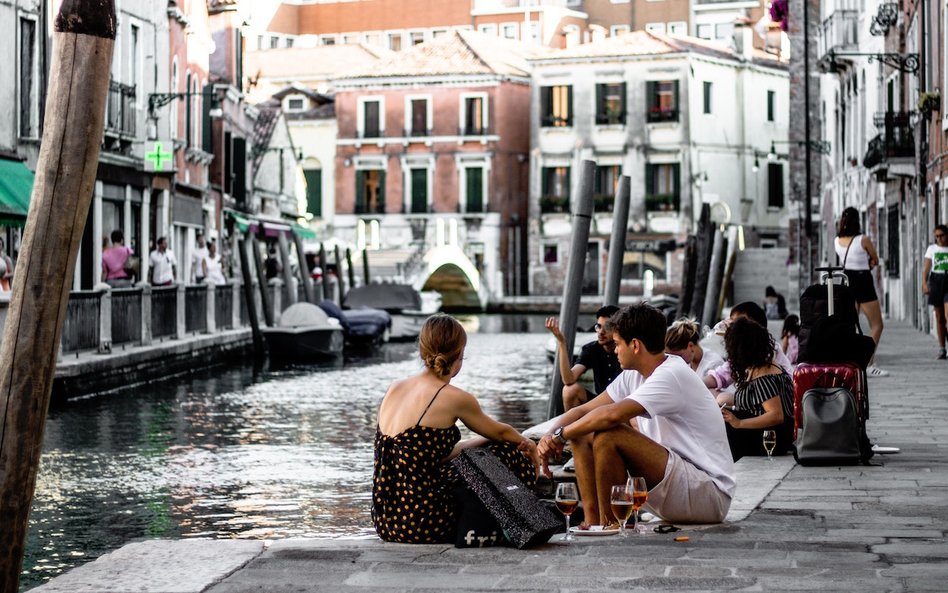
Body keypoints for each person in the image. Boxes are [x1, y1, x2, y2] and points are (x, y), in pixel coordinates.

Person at [537, 304, 735, 526]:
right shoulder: (633, 375)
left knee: (609, 434)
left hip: (709, 494)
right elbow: (582, 410)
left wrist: (559, 436)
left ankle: (609, 525)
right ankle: (592, 522)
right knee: (582, 429)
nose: (614, 350)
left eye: (618, 343)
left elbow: (611, 416)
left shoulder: (672, 374)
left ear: (635, 345)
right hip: (678, 483)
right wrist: (549, 436)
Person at [372, 314, 539, 544]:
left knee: (486, 450)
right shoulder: (453, 397)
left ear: (422, 350)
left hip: (387, 522)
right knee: (508, 451)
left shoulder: (394, 388)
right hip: (423, 522)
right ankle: (519, 521)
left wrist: (483, 441)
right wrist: (530, 447)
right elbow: (502, 432)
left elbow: (427, 456)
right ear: (459, 353)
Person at [720, 317, 795, 461]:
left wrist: (739, 423)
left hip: (771, 439)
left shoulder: (763, 375)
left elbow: (776, 415)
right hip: (775, 435)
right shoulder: (765, 364)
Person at [835, 206, 888, 377]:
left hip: (847, 281)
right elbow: (876, 259)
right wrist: (870, 262)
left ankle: (851, 362)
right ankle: (869, 362)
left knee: (851, 325)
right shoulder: (863, 239)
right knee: (877, 325)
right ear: (857, 221)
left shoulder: (837, 241)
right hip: (863, 280)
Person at [703, 302, 793, 393]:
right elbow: (721, 375)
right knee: (711, 393)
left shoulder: (766, 351)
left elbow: (765, 393)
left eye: (736, 324)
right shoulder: (742, 351)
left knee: (722, 398)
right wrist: (697, 384)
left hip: (780, 399)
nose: (730, 327)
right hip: (756, 400)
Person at [545, 305, 621, 411]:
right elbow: (568, 379)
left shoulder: (625, 349)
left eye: (607, 327)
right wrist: (562, 342)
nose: (601, 332)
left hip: (622, 404)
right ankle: (573, 426)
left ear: (617, 328)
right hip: (600, 403)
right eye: (598, 326)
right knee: (569, 390)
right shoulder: (591, 349)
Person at [922, 224, 948, 359]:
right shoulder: (932, 249)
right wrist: (924, 283)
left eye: (941, 235)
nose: (939, 239)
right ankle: (942, 348)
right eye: (936, 236)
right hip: (936, 281)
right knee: (939, 317)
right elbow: (926, 268)